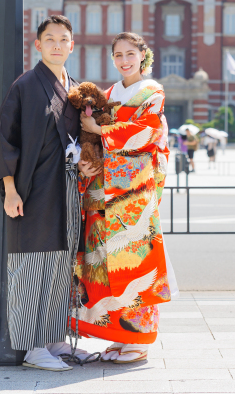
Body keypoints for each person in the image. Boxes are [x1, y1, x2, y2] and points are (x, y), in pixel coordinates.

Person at [0, 15, 97, 371]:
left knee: (61, 263)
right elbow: (5, 141)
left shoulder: (75, 87)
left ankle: (54, 340)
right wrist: (9, 190)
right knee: (31, 263)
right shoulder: (25, 85)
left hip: (66, 187)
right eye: (49, 39)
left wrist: (84, 161)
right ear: (37, 45)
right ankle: (33, 348)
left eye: (62, 39)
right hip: (32, 189)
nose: (56, 45)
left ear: (71, 45)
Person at [76, 32, 175, 364]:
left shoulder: (153, 92)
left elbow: (146, 133)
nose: (124, 61)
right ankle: (117, 338)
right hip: (105, 191)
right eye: (118, 55)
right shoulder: (107, 94)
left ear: (142, 55)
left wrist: (101, 130)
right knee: (106, 262)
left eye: (130, 54)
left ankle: (140, 339)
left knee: (134, 263)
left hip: (134, 192)